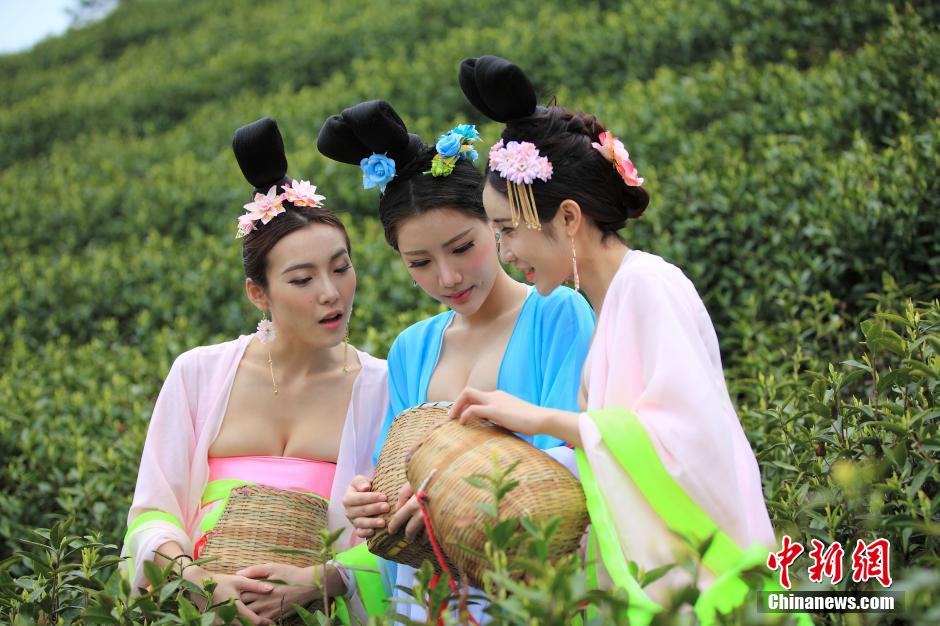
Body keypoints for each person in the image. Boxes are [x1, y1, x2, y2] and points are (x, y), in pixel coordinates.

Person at [448, 56, 777, 625]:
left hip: (702, 575)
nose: (505, 253)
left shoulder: (649, 286)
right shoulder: (608, 302)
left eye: (507, 230)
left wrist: (538, 418)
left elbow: (690, 438)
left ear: (569, 217)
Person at [317, 100, 594, 621]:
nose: (447, 278)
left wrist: (441, 488)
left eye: (462, 247)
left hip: (537, 583)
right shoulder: (412, 348)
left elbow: (574, 452)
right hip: (435, 595)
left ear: (494, 224)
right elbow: (394, 468)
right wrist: (369, 502)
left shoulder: (556, 312)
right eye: (419, 263)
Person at [122, 117, 388, 625]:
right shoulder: (199, 374)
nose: (330, 293)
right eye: (302, 279)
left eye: (341, 267)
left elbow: (399, 541)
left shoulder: (380, 385)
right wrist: (201, 582)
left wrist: (319, 580)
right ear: (258, 294)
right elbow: (152, 514)